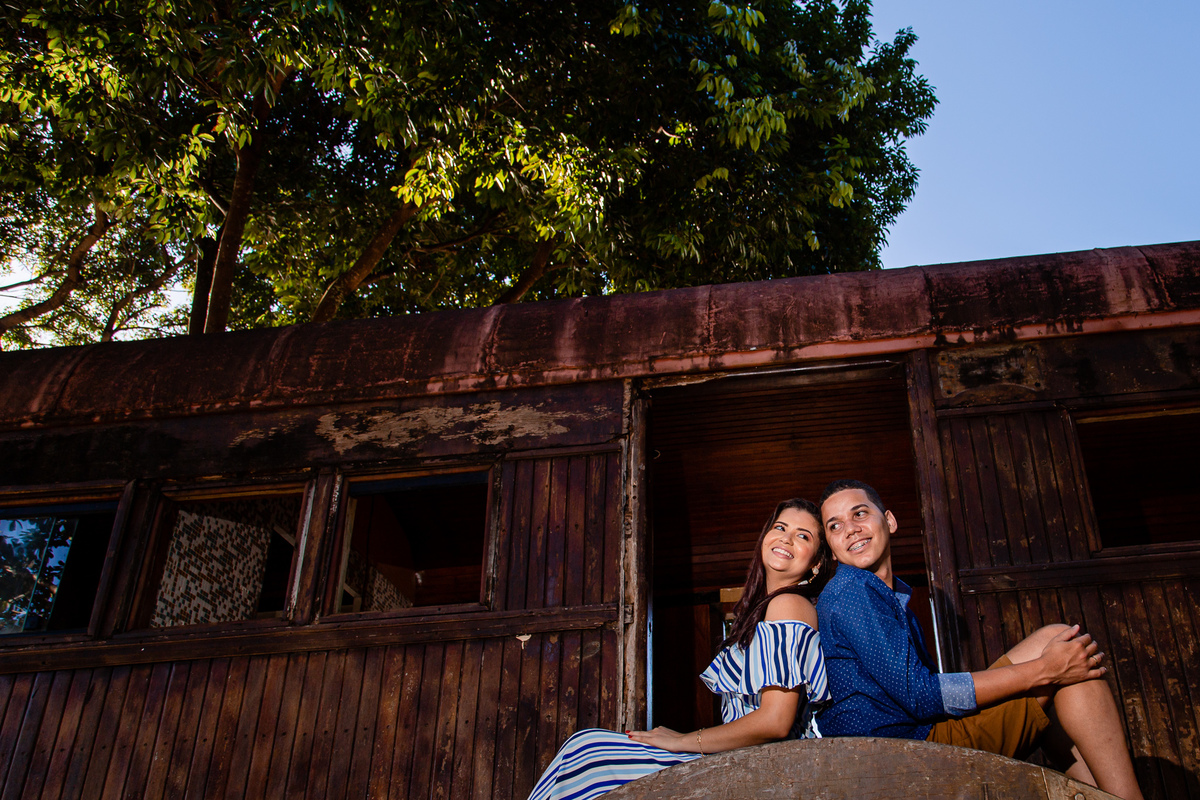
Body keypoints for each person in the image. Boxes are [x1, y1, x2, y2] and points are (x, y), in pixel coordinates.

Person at [815, 479, 1144, 800]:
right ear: (831, 547)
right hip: (901, 759)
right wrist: (1044, 669)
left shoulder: (888, 597)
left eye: (859, 514)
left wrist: (1049, 669)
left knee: (1062, 656)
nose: (850, 528)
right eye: (834, 525)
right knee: (1059, 647)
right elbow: (920, 696)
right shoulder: (852, 590)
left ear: (889, 521)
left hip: (911, 746)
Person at [528, 498, 834, 800]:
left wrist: (685, 741)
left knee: (588, 752)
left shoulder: (789, 604)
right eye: (780, 527)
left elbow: (775, 721)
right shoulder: (764, 609)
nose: (786, 538)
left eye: (802, 535)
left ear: (817, 563)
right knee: (586, 748)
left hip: (770, 769)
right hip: (744, 761)